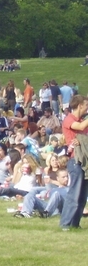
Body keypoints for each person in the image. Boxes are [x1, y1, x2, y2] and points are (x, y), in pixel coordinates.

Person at [60, 95, 88, 230]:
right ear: (80, 105)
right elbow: (80, 126)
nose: (87, 107)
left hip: (84, 161)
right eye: (86, 105)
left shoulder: (83, 120)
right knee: (74, 194)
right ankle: (65, 224)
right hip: (75, 161)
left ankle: (75, 224)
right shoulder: (69, 119)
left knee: (82, 196)